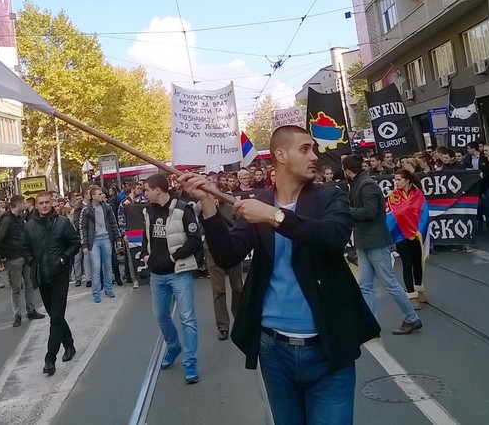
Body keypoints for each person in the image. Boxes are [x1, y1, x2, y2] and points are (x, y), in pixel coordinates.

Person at [182, 126, 380, 423]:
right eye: (305, 149)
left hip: (328, 349)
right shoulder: (260, 200)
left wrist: (274, 217)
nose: (314, 156)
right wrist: (208, 207)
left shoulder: (330, 197)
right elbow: (228, 255)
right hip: (274, 352)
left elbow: (333, 237)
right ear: (280, 155)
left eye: (313, 149)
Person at [343, 155, 421, 335]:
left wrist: (347, 211)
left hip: (375, 241)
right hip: (366, 241)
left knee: (389, 282)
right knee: (364, 284)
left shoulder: (366, 185)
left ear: (348, 170)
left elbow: (370, 212)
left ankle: (412, 318)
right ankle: (371, 325)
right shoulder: (359, 182)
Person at [140, 173, 203, 384]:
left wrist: (174, 256)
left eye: (147, 189)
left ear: (158, 189)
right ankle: (174, 346)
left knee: (188, 319)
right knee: (160, 315)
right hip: (157, 275)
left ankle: (190, 362)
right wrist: (145, 255)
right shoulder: (147, 210)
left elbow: (195, 240)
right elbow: (145, 236)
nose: (144, 193)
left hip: (179, 273)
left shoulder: (183, 209)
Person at [23, 191, 80, 375]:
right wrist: (32, 261)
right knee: (54, 315)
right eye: (41, 203)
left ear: (52, 204)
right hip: (42, 277)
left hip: (59, 276)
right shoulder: (29, 226)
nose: (45, 205)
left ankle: (50, 359)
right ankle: (69, 344)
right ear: (36, 205)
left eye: (47, 202)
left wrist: (63, 259)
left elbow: (74, 243)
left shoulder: (62, 222)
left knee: (55, 318)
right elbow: (25, 248)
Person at [201, 173, 244, 341]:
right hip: (212, 251)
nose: (212, 197)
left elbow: (239, 223)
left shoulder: (230, 204)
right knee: (218, 290)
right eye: (208, 194)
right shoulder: (202, 206)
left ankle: (240, 319)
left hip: (232, 248)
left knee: (238, 287)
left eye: (214, 193)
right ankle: (223, 326)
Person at [0, 195, 45, 326]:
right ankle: (17, 314)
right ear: (18, 205)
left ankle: (31, 310)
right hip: (13, 257)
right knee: (16, 287)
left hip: (24, 255)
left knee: (29, 284)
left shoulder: (19, 218)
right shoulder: (6, 220)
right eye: (23, 203)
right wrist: (3, 256)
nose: (26, 205)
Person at [386, 169, 428, 312]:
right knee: (407, 264)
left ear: (407, 180)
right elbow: (391, 215)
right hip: (400, 235)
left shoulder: (419, 195)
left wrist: (419, 231)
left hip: (416, 234)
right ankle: (411, 295)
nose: (396, 182)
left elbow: (424, 213)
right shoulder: (393, 196)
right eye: (395, 180)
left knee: (418, 263)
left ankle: (419, 288)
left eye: (399, 179)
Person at [81, 186, 121, 303]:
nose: (101, 196)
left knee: (108, 265)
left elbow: (113, 223)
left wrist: (117, 237)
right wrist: (84, 245)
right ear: (93, 196)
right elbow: (82, 227)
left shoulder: (107, 208)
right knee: (96, 266)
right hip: (94, 241)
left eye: (101, 194)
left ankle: (108, 288)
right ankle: (96, 292)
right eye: (99, 194)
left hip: (106, 238)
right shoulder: (86, 210)